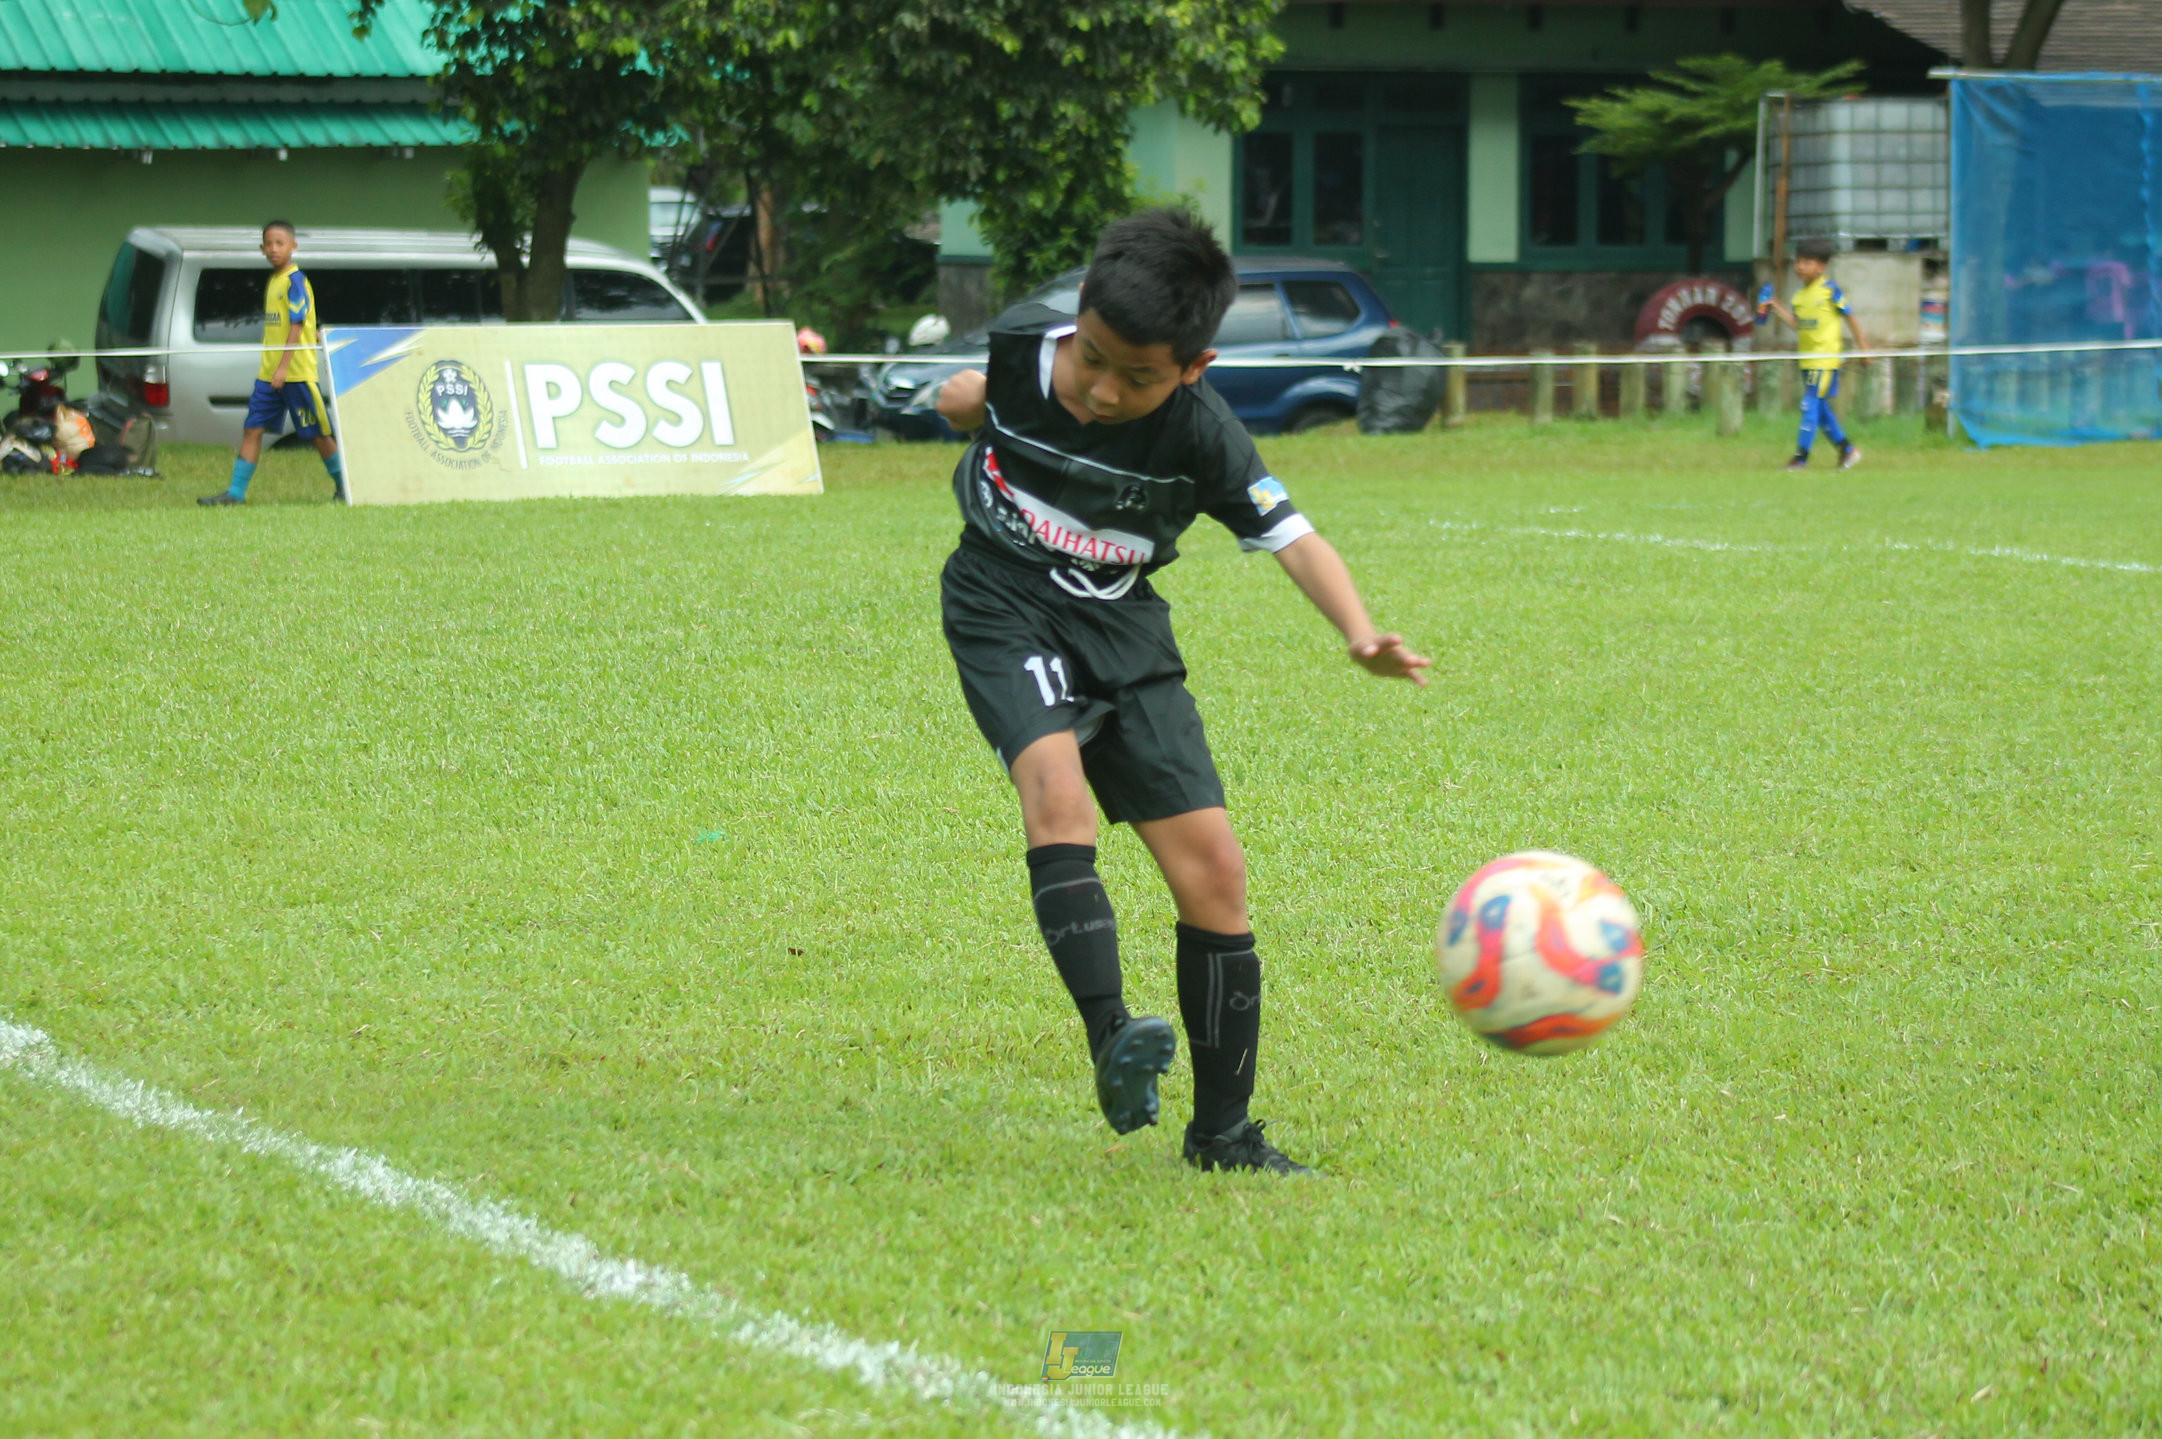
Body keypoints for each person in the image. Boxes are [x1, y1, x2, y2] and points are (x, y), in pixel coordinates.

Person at [933, 209, 1430, 1176]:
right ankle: (1111, 1031)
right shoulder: (1026, 346)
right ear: (1076, 317)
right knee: (1056, 792)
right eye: (1094, 360)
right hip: (999, 600)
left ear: (1193, 368)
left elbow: (1293, 535)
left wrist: (1360, 632)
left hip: (1124, 627)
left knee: (1216, 870)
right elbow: (971, 393)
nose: (1105, 391)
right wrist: (966, 401)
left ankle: (1224, 1135)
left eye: (1140, 376)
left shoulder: (1203, 433)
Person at [199, 220, 345, 506]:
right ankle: (235, 494)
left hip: (296, 375)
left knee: (317, 433)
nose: (274, 249)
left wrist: (283, 368)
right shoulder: (274, 280)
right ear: (261, 248)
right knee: (252, 428)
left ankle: (344, 486)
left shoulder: (295, 280)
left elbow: (296, 324)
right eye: (269, 244)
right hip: (269, 376)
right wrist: (273, 370)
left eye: (280, 243)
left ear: (293, 246)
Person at [1757, 237, 1868, 472]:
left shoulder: (1830, 291)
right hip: (1807, 360)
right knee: (1820, 409)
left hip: (1825, 360)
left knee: (1809, 405)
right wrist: (1775, 307)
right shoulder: (1799, 297)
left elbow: (1851, 318)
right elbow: (1798, 325)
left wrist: (1864, 349)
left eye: (1807, 262)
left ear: (1821, 266)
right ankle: (1847, 450)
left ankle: (1800, 458)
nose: (1799, 267)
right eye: (1798, 262)